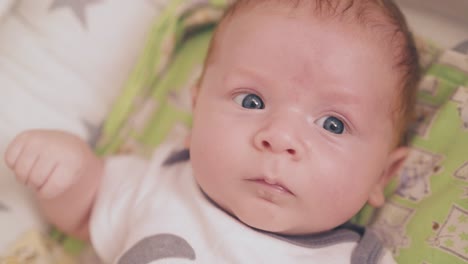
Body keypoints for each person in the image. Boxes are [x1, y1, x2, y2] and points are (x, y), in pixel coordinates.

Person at [4, 0, 420, 263]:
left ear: (383, 175)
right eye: (251, 101)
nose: (279, 137)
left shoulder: (354, 259)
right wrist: (70, 172)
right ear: (197, 108)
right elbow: (81, 216)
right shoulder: (163, 183)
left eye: (333, 124)